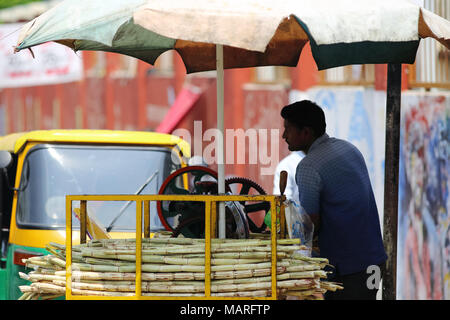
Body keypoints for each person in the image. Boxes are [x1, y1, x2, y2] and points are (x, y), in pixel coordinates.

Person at [280, 100, 387, 300]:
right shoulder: (348, 148)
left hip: (350, 268)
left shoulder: (309, 167)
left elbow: (311, 225)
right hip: (373, 259)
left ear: (306, 132)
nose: (284, 135)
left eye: (288, 129)